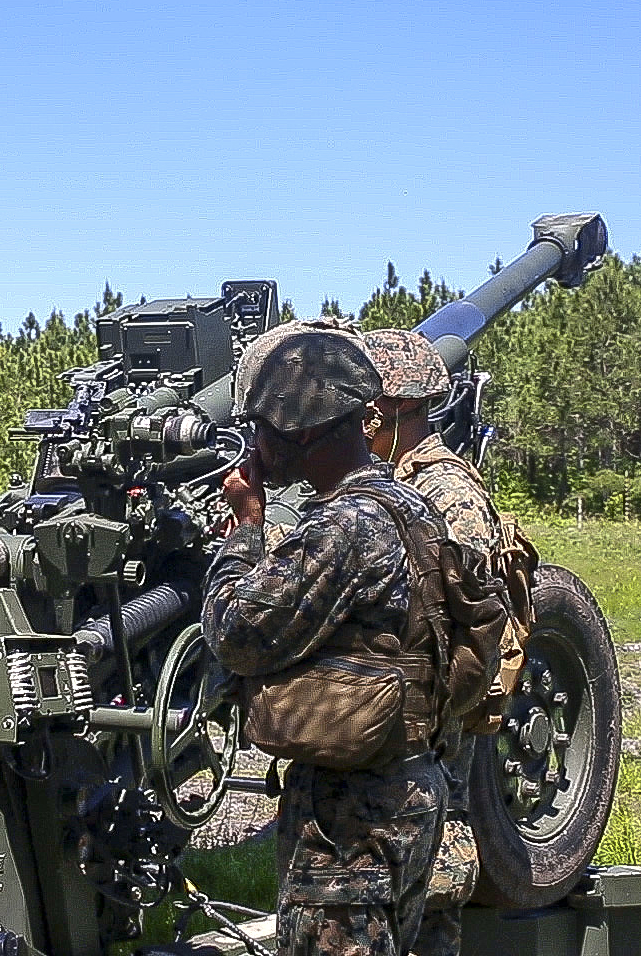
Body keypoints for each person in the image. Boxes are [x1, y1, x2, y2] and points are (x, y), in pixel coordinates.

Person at [201, 327, 450, 956]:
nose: (252, 446)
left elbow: (235, 634)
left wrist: (246, 527)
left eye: (260, 430)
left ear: (303, 430)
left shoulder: (345, 525)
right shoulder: (407, 504)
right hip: (405, 787)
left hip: (352, 816)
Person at [360, 328, 504, 956]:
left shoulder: (447, 493)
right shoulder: (388, 483)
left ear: (402, 409)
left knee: (434, 860)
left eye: (369, 408)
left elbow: (471, 621)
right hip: (400, 709)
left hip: (436, 717)